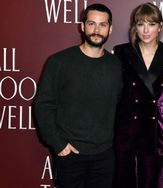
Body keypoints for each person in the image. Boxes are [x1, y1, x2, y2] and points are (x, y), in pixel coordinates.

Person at [33, 3, 122, 188]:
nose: (96, 30)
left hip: (104, 157)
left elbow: (122, 107)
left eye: (102, 24)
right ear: (82, 26)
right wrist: (58, 144)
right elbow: (43, 105)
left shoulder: (116, 65)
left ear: (110, 29)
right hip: (70, 155)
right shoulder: (59, 62)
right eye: (91, 23)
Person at [113, 2, 163, 188]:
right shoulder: (122, 52)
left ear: (160, 27)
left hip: (154, 131)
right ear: (135, 27)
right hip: (126, 129)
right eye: (141, 24)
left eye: (151, 24)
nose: (146, 30)